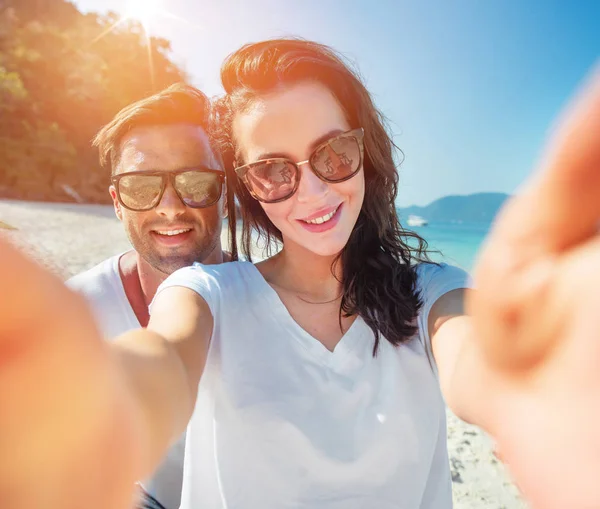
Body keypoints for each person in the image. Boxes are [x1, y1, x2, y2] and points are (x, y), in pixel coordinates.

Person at [0, 39, 599, 509]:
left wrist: (526, 383)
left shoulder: (430, 290)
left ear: (366, 151)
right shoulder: (207, 294)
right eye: (273, 171)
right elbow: (164, 363)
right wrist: (95, 406)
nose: (312, 189)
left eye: (333, 153)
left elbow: (474, 357)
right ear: (250, 189)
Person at [67, 83, 233, 509]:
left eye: (195, 182)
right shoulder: (78, 314)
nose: (171, 206)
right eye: (141, 187)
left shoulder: (278, 302)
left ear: (226, 193)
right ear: (118, 203)